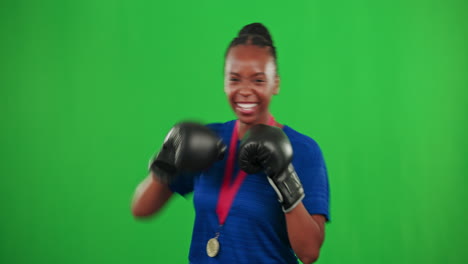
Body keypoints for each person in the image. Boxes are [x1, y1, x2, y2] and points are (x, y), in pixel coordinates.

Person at [131, 23, 330, 264]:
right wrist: (166, 160)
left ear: (275, 83)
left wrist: (284, 176)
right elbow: (141, 208)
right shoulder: (208, 138)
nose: (245, 90)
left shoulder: (303, 150)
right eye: (235, 79)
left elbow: (309, 253)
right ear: (225, 82)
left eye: (258, 80)